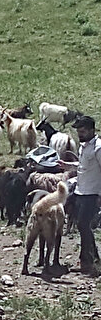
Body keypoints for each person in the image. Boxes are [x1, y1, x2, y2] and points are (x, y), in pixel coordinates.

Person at [70, 115, 100, 273]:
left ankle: (89, 261)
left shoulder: (98, 148)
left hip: (92, 193)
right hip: (80, 191)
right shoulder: (83, 146)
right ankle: (90, 259)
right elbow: (82, 166)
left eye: (82, 131)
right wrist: (67, 165)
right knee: (82, 226)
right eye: (78, 132)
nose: (79, 135)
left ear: (91, 130)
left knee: (83, 225)